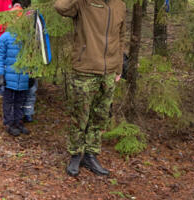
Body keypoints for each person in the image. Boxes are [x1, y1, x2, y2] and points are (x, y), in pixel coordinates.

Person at [54, 0, 126, 177]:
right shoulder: (84, 3)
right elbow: (60, 7)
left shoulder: (120, 5)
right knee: (80, 115)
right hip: (85, 68)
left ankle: (91, 154)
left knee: (100, 116)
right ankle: (76, 154)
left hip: (109, 71)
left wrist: (119, 67)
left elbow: (120, 37)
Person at [0, 30, 30, 137]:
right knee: (9, 101)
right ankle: (9, 123)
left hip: (24, 76)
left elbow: (33, 57)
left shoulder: (29, 37)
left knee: (21, 100)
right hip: (9, 76)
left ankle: (18, 121)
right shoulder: (5, 37)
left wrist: (34, 74)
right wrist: (0, 74)